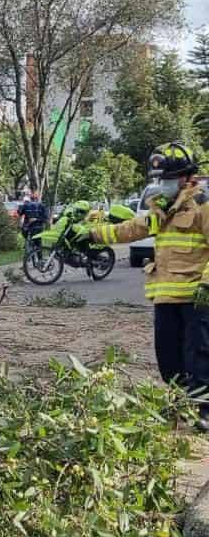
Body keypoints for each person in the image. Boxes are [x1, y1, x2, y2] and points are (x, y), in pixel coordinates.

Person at [79, 142, 209, 429]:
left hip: (197, 298)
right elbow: (131, 229)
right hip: (165, 296)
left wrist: (207, 285)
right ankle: (180, 403)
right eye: (159, 180)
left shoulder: (203, 206)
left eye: (168, 179)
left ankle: (204, 410)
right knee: (168, 357)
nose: (162, 185)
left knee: (199, 355)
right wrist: (92, 235)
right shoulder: (162, 209)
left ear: (187, 177)